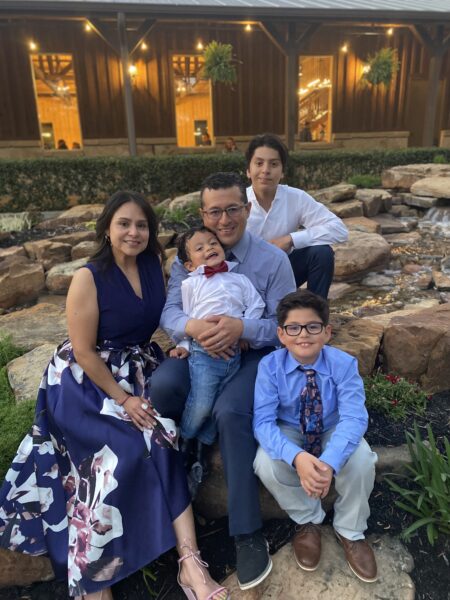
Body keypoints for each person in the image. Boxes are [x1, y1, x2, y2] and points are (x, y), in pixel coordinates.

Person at [0, 191, 228, 600]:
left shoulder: (153, 265)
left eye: (142, 225)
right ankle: (94, 581)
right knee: (118, 450)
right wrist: (123, 400)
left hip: (138, 367)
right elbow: (84, 350)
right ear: (107, 228)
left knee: (161, 436)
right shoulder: (89, 276)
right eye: (124, 223)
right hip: (85, 383)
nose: (133, 232)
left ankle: (190, 563)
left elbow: (158, 320)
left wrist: (179, 345)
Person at [152, 172, 296, 591]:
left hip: (252, 355)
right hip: (199, 349)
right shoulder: (188, 259)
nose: (224, 219)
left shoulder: (273, 261)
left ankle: (246, 532)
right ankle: (171, 492)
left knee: (231, 410)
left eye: (233, 208)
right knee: (162, 388)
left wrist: (242, 329)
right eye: (215, 211)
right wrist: (195, 329)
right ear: (203, 214)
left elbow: (284, 326)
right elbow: (171, 314)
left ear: (248, 208)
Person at [253, 289, 378, 583]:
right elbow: (263, 422)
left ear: (327, 332)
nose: (303, 335)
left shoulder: (343, 364)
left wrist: (329, 463)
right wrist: (297, 458)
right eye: (293, 328)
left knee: (361, 460)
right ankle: (308, 520)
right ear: (281, 335)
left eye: (312, 326)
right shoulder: (269, 367)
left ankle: (351, 529)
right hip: (291, 428)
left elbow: (354, 416)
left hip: (331, 425)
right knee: (265, 463)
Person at [169, 226, 264, 493]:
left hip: (234, 354)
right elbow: (187, 319)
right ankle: (185, 441)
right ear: (189, 264)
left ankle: (201, 448)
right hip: (204, 354)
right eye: (199, 248)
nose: (208, 248)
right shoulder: (191, 284)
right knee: (202, 402)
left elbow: (256, 304)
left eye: (213, 243)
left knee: (219, 401)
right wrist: (184, 344)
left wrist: (245, 327)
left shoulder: (240, 280)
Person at [245, 133, 349, 299]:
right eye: (259, 163)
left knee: (322, 253)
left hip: (285, 273)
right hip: (245, 280)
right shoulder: (237, 202)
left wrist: (290, 239)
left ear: (282, 171)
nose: (265, 170)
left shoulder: (296, 198)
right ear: (248, 171)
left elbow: (339, 230)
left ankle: (315, 315)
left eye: (273, 164)